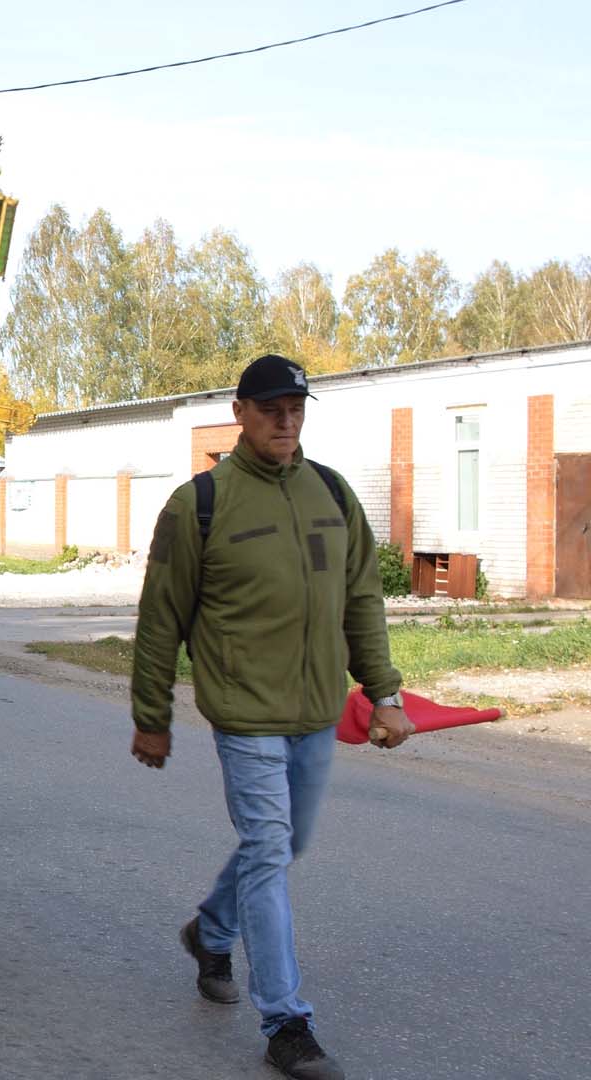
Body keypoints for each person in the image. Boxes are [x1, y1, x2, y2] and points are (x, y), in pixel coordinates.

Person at [130, 353, 413, 1080]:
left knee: (285, 845)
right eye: (271, 409)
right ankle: (287, 1021)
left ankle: (211, 931)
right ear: (241, 411)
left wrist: (384, 693)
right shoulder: (201, 504)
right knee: (267, 845)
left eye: (296, 409)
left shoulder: (332, 492)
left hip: (316, 708)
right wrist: (151, 714)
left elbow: (361, 604)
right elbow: (161, 618)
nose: (286, 422)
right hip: (245, 712)